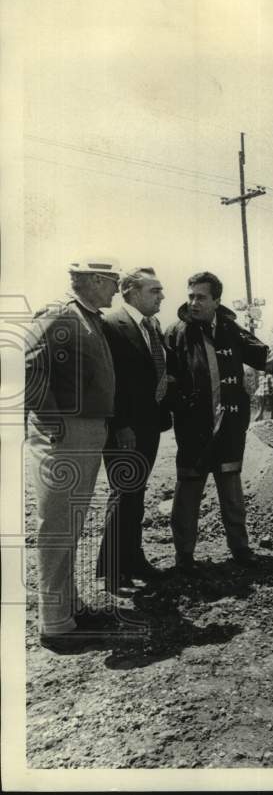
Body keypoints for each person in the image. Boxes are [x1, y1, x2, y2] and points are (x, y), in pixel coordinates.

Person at [163, 272, 273, 570]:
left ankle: (240, 549)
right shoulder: (175, 333)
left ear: (216, 300)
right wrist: (178, 406)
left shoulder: (232, 330)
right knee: (188, 489)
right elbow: (166, 379)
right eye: (190, 296)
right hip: (193, 428)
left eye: (201, 297)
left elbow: (265, 357)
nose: (193, 302)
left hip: (230, 425)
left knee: (231, 488)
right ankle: (184, 556)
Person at [24, 257, 122, 650]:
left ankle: (70, 608)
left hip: (84, 429)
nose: (117, 288)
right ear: (96, 280)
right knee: (58, 526)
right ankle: (56, 625)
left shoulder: (88, 316)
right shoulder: (60, 314)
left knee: (72, 524)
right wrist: (50, 419)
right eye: (113, 281)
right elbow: (25, 363)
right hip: (66, 430)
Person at [97, 266, 172, 595]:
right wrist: (120, 424)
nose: (162, 296)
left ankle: (134, 559)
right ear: (130, 292)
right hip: (124, 428)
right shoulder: (111, 324)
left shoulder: (151, 325)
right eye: (154, 290)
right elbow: (108, 380)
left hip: (149, 424)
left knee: (136, 495)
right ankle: (113, 573)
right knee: (123, 493)